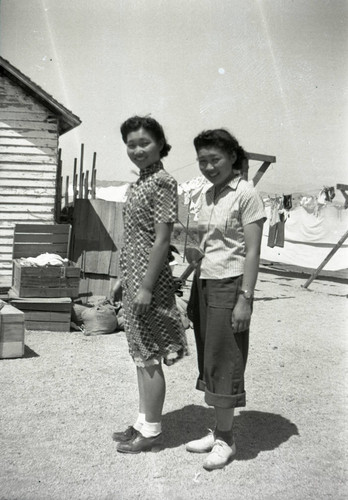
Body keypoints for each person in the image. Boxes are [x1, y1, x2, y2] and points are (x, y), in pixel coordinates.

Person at [186, 129, 266, 470]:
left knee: (225, 360)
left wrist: (245, 299)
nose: (208, 166)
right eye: (202, 160)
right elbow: (205, 243)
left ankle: (227, 440)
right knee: (209, 358)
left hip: (229, 285)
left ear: (232, 157)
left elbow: (251, 252)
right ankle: (219, 428)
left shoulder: (246, 194)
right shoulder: (207, 194)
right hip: (204, 282)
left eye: (214, 159)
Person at [111, 115, 188, 454]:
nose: (137, 149)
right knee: (140, 355)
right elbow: (133, 237)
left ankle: (153, 431)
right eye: (131, 144)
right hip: (134, 277)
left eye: (144, 143)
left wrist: (143, 286)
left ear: (160, 144)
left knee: (149, 355)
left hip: (150, 282)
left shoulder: (163, 183)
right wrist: (122, 278)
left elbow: (161, 241)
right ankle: (143, 422)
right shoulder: (139, 183)